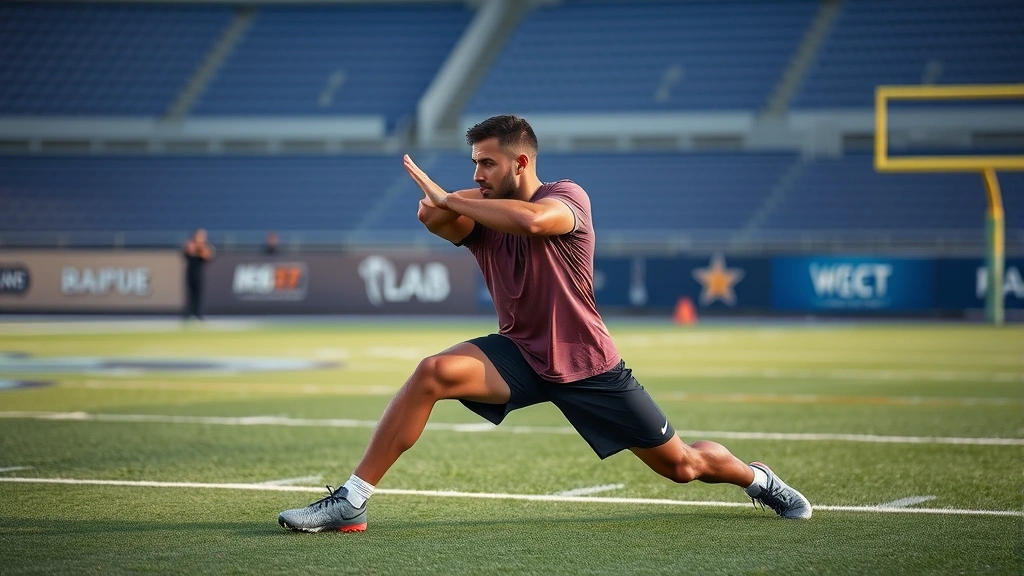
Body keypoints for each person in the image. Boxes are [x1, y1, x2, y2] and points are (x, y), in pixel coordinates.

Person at [278, 115, 811, 533]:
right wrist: (453, 199)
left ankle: (757, 478)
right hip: (521, 354)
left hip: (587, 365)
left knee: (684, 467)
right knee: (432, 373)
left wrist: (453, 198)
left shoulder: (567, 196)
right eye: (473, 163)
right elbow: (432, 216)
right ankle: (352, 500)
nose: (476, 175)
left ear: (521, 162)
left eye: (487, 164)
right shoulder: (483, 215)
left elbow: (535, 222)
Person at [182, 228, 214, 321]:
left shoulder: (205, 247)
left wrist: (201, 247)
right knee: (190, 294)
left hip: (199, 274)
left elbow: (208, 256)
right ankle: (188, 314)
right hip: (190, 273)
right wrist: (195, 247)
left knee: (198, 295)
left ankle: (198, 314)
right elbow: (188, 252)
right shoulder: (190, 244)